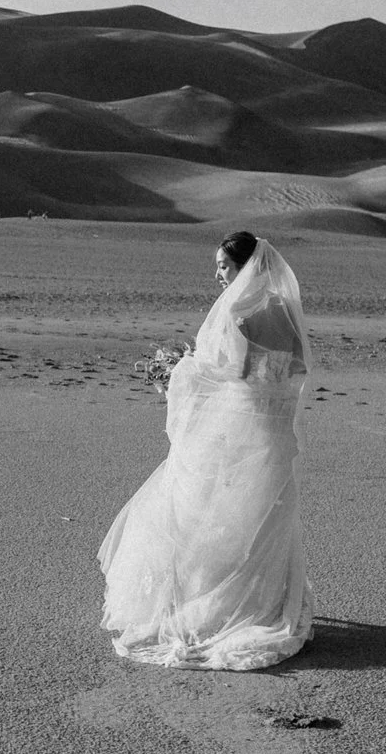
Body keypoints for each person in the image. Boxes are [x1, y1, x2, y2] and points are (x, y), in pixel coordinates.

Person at [97, 230, 313, 671]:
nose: (218, 274)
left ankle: (223, 608)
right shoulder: (286, 310)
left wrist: (179, 373)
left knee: (218, 515)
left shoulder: (237, 313)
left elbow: (232, 375)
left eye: (224, 266)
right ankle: (268, 606)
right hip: (275, 432)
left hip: (239, 429)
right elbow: (296, 367)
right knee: (265, 516)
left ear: (246, 267)